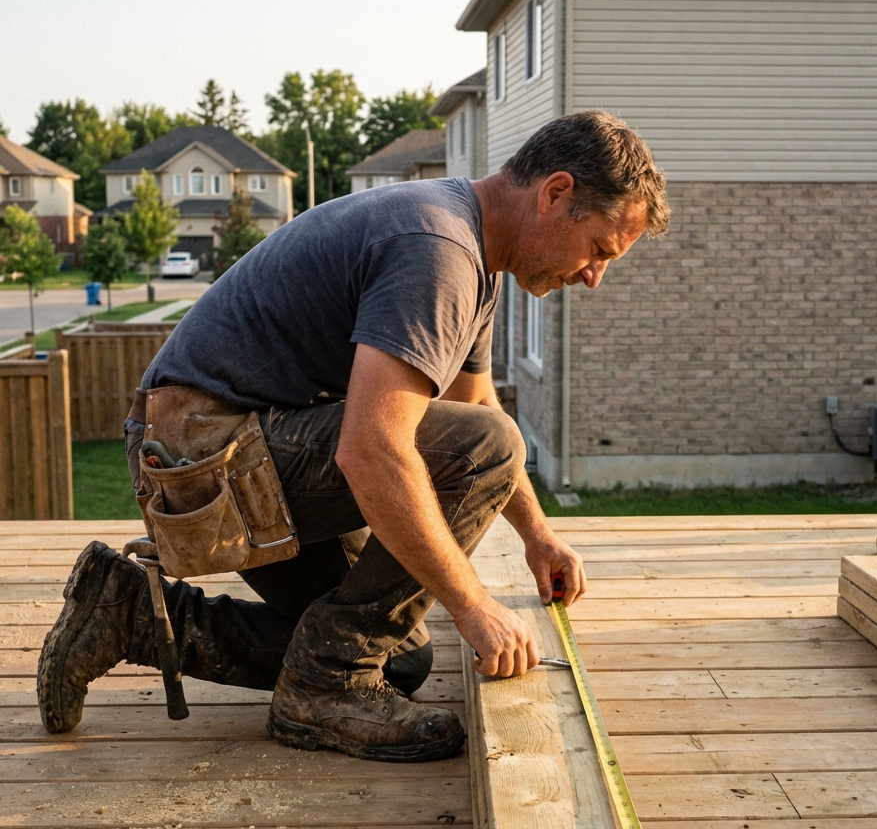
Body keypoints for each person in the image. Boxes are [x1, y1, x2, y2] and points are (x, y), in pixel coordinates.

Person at [38, 110, 670, 762]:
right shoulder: (440, 250)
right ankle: (327, 680)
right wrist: (474, 607)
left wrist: (539, 535)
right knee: (482, 453)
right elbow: (376, 450)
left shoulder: (472, 254)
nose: (593, 277)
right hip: (200, 452)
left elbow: (475, 404)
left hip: (219, 447)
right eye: (598, 250)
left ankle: (128, 616)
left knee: (398, 660)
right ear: (556, 194)